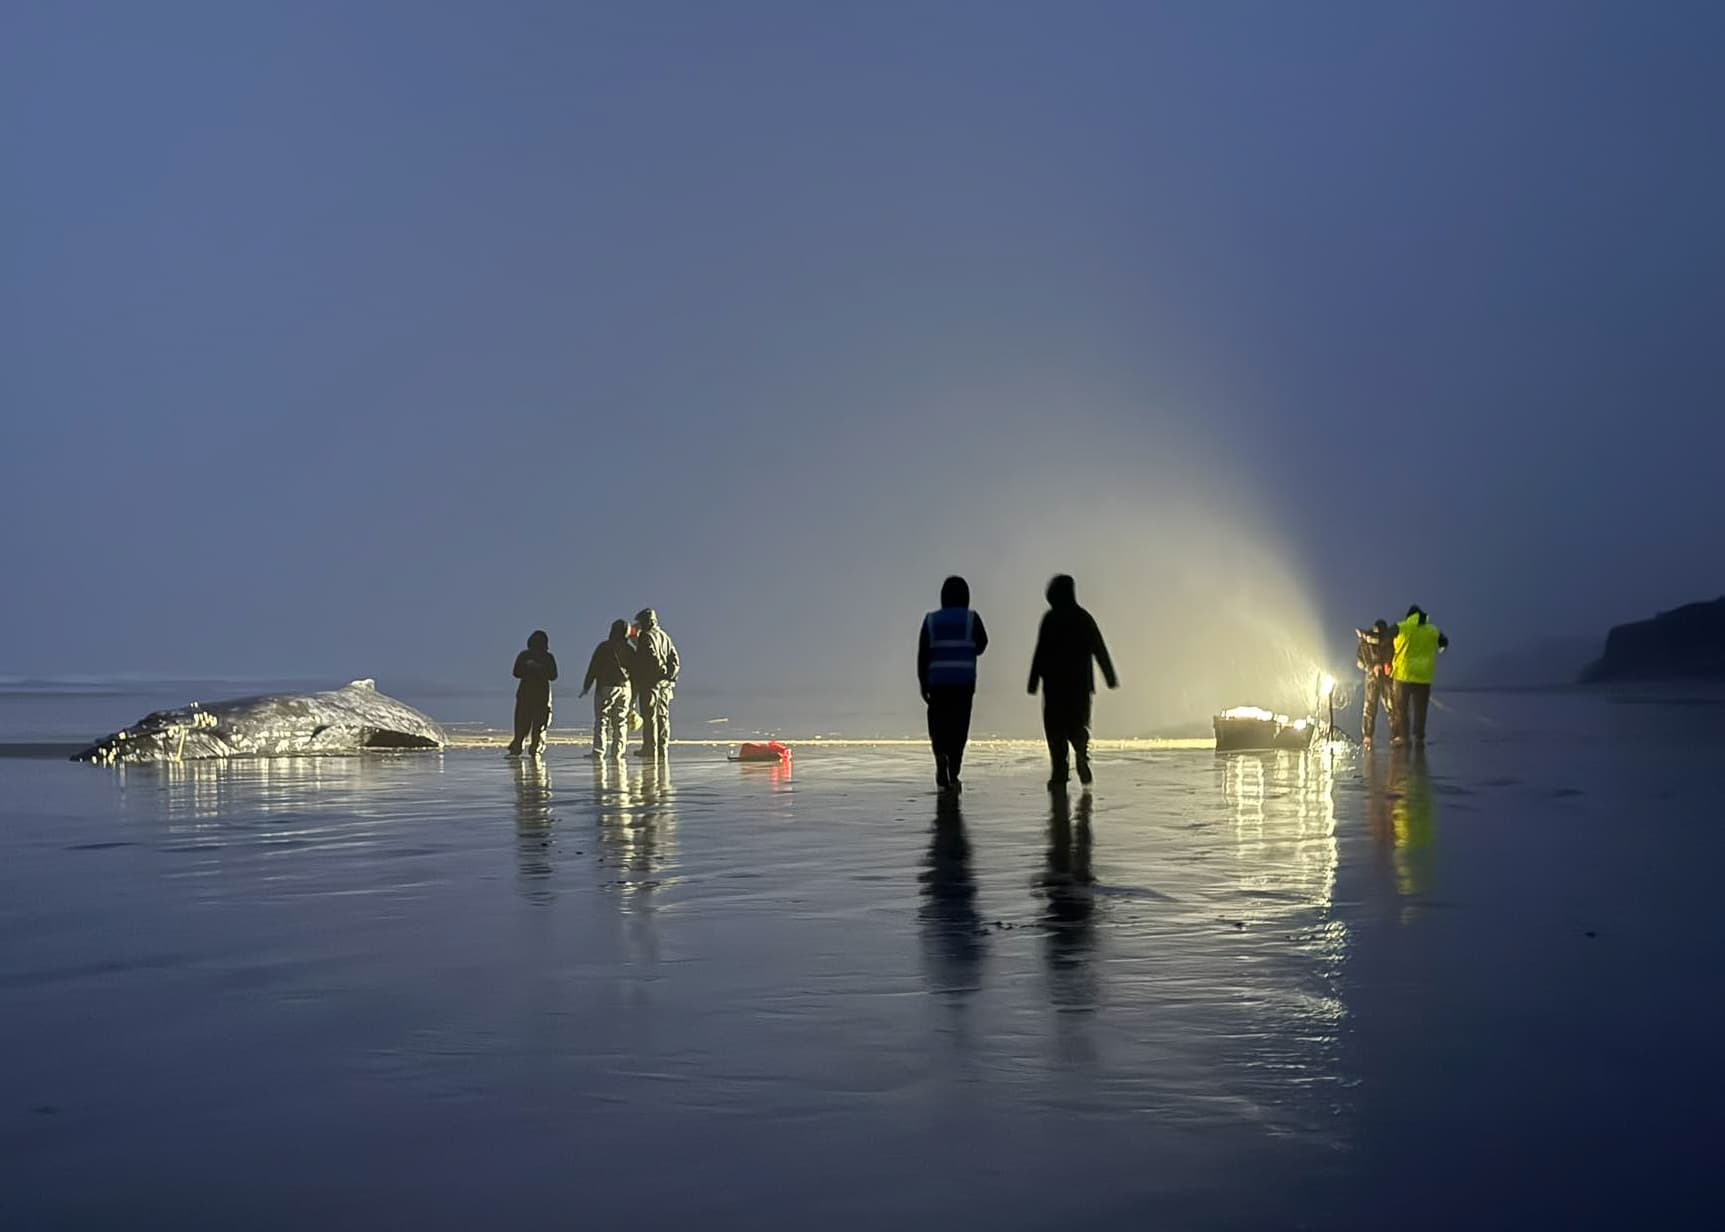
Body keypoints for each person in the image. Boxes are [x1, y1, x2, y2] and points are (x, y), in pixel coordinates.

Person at [1027, 575, 1118, 789]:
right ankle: (1081, 754)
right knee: (1079, 724)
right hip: (1080, 687)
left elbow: (1040, 652)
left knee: (1055, 731)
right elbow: (1099, 648)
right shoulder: (1084, 618)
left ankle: (1059, 772)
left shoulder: (1050, 619)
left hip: (1054, 687)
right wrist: (1109, 676)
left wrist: (1033, 681)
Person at [917, 575, 989, 792]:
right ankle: (954, 770)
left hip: (937, 684)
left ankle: (940, 755)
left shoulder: (931, 620)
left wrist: (923, 683)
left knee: (938, 726)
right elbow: (982, 644)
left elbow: (923, 655)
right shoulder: (971, 618)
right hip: (963, 684)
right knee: (959, 728)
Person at [1391, 605, 1449, 746]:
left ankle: (1403, 737)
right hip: (1424, 676)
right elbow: (1444, 643)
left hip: (1404, 675)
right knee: (1421, 709)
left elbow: (1386, 635)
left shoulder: (1402, 627)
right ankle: (1419, 736)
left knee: (1401, 707)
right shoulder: (1432, 630)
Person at [580, 619, 635, 760]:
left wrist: (586, 686)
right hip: (625, 688)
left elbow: (593, 667)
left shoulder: (604, 647)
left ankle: (598, 752)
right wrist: (634, 694)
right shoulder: (629, 650)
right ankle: (618, 753)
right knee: (620, 722)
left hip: (606, 687)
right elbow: (636, 672)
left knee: (602, 720)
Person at [631, 607, 680, 757]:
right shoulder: (665, 636)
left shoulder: (646, 636)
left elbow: (651, 659)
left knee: (649, 716)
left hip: (650, 683)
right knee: (663, 716)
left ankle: (649, 747)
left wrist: (659, 674)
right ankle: (662, 746)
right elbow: (675, 660)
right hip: (665, 686)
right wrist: (669, 677)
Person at [507, 630, 558, 757]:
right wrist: (537, 668)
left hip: (527, 695)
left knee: (523, 724)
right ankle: (534, 749)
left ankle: (519, 748)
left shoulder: (525, 655)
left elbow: (516, 673)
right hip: (540, 696)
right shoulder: (547, 657)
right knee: (538, 725)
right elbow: (553, 676)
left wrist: (534, 667)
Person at [1355, 619, 1397, 748]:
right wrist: (1376, 667)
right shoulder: (1389, 640)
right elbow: (1360, 662)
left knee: (1373, 708)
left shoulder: (1366, 642)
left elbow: (1359, 662)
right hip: (1382, 678)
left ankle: (1369, 738)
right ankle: (1394, 736)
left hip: (1377, 678)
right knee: (1389, 708)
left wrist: (1373, 667)